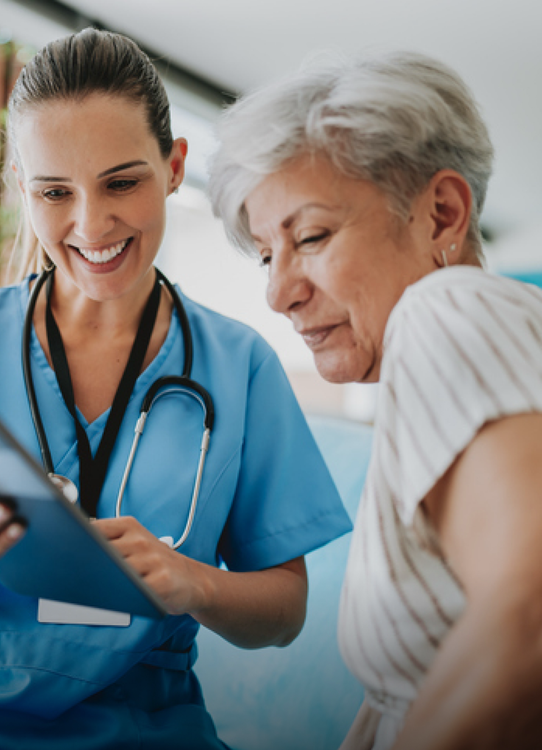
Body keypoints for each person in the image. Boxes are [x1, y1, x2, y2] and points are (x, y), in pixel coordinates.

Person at [0, 29, 351, 750]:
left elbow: (285, 612)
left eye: (122, 181)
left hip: (147, 728)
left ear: (173, 167)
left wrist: (192, 582)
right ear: (22, 191)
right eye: (55, 192)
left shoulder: (240, 365)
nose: (91, 225)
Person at [209, 50, 542, 750]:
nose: (278, 293)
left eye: (312, 237)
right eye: (269, 255)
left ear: (442, 214)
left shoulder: (447, 312)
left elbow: (531, 614)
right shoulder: (486, 334)